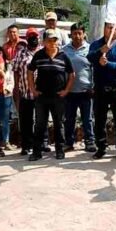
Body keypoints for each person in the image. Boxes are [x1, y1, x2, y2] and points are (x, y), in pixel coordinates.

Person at [27, 29, 75, 161]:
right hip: (41, 96)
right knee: (39, 124)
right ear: (44, 42)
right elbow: (30, 72)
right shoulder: (39, 55)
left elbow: (72, 74)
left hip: (58, 96)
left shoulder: (64, 56)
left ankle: (59, 150)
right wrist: (32, 89)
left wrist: (66, 90)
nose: (52, 43)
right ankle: (37, 152)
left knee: (59, 124)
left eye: (54, 40)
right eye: (49, 40)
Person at [88, 22, 116, 159]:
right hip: (100, 88)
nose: (112, 30)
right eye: (109, 27)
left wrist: (108, 64)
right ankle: (101, 147)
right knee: (99, 120)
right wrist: (101, 51)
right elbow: (89, 58)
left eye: (115, 28)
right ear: (104, 29)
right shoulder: (96, 44)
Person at [62, 23, 94, 152]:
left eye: (80, 33)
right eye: (74, 33)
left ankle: (90, 142)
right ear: (71, 34)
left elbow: (94, 69)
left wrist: (94, 86)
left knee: (88, 119)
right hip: (69, 90)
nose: (77, 36)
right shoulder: (64, 50)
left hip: (86, 90)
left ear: (84, 34)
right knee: (69, 119)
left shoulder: (91, 49)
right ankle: (69, 142)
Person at [13, 28, 40, 156]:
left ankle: (41, 144)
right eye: (31, 36)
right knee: (26, 121)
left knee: (41, 120)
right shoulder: (20, 53)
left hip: (41, 93)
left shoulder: (43, 52)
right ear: (27, 38)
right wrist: (16, 90)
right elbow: (16, 71)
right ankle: (26, 145)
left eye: (35, 36)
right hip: (25, 92)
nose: (33, 38)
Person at [0, 45, 16, 151]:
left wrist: (8, 89)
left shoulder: (9, 66)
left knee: (6, 119)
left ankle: (6, 141)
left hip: (6, 95)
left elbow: (11, 80)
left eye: (0, 53)